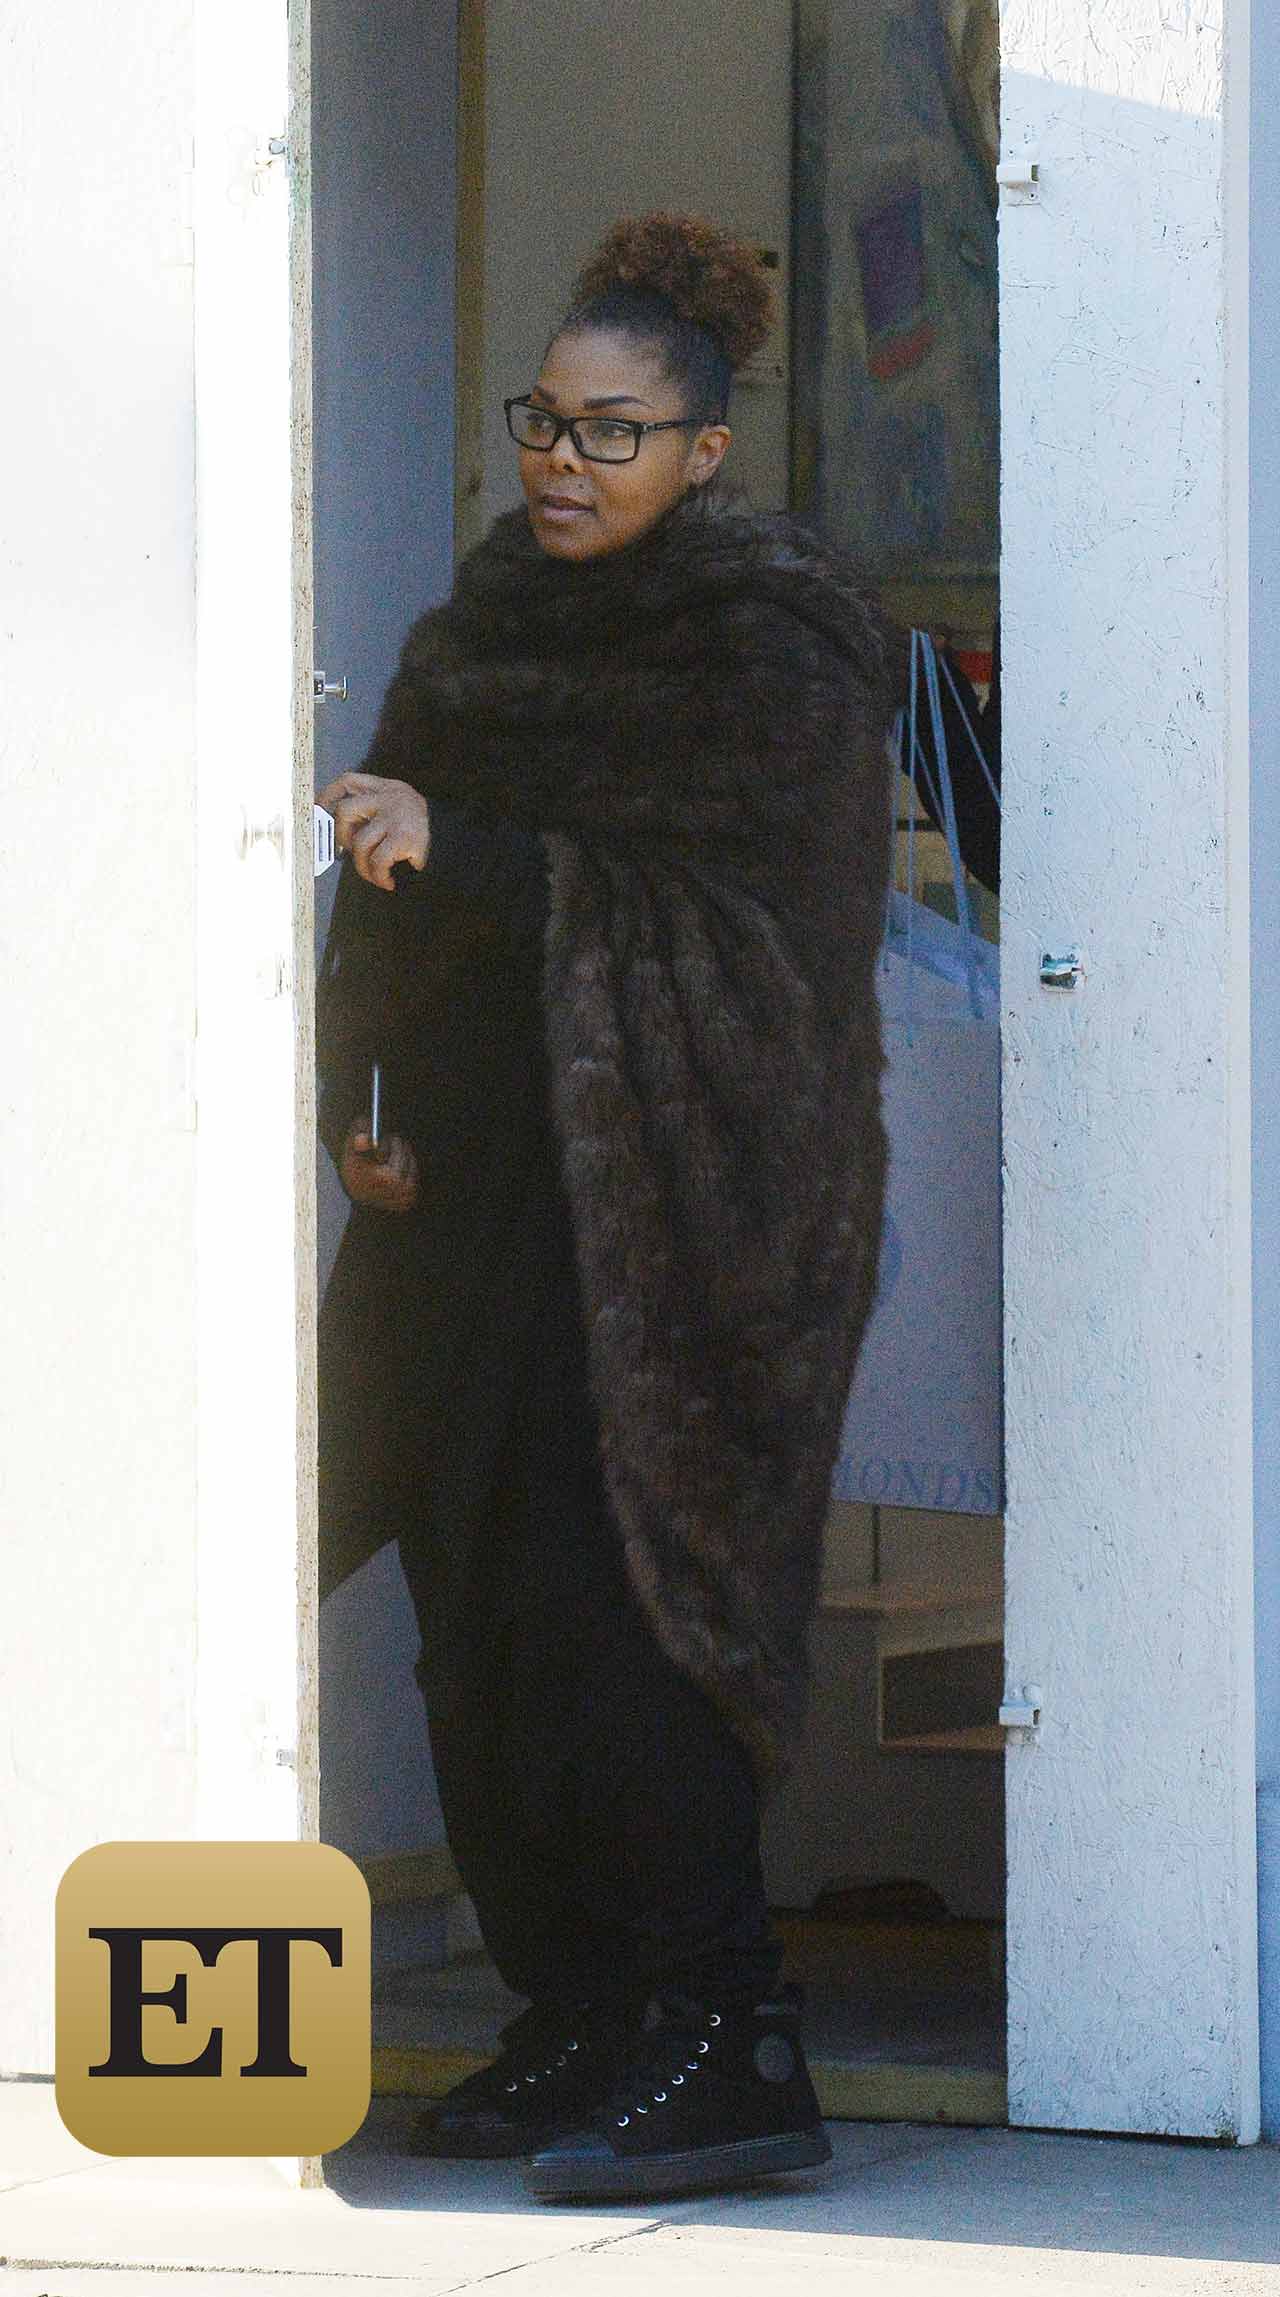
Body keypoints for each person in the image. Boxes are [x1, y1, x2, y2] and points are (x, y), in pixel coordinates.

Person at [315, 211, 906, 2204]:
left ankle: (727, 2039)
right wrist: (361, 1113)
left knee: (628, 1627)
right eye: (543, 422)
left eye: (614, 433)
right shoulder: (481, 629)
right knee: (470, 1624)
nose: (562, 462)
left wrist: (468, 844)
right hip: (464, 1210)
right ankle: (579, 2012)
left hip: (680, 1211)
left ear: (705, 451)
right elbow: (386, 912)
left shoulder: (772, 645)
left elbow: (757, 940)